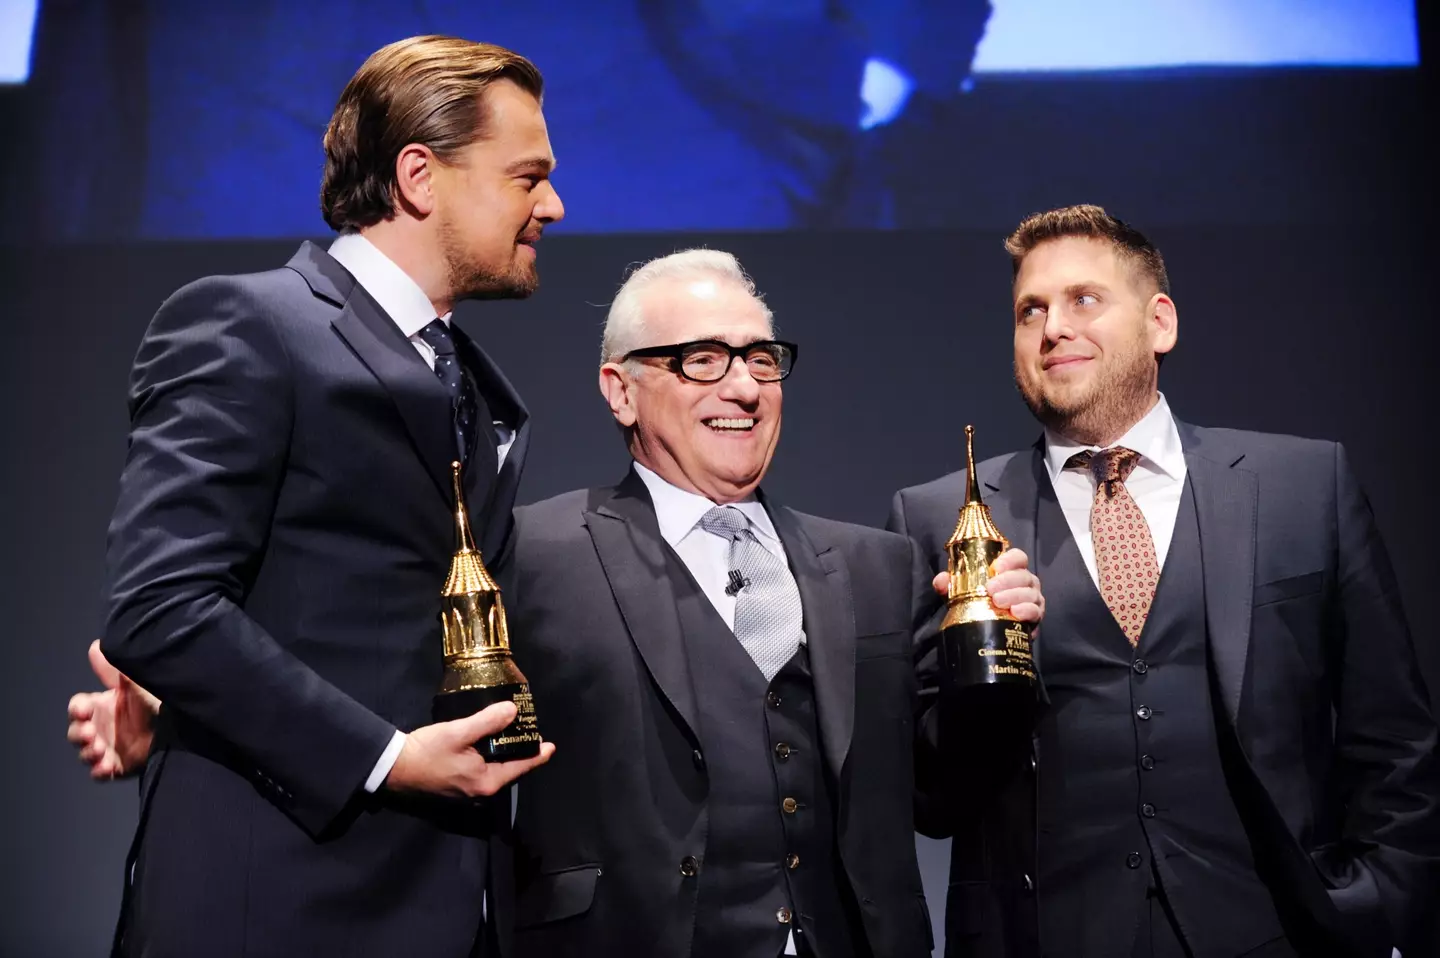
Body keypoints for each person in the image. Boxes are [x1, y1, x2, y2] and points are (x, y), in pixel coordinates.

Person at [73, 248, 1046, 957]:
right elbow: (375, 680)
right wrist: (179, 723)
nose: (744, 385)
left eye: (762, 357)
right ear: (620, 391)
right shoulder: (525, 552)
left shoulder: (874, 563)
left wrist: (993, 660)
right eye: (702, 358)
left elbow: (937, 791)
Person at [89, 35, 562, 957]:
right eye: (526, 176)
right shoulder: (248, 325)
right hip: (278, 908)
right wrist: (388, 759)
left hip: (449, 904)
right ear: (420, 177)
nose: (552, 204)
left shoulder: (472, 376)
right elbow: (159, 608)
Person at [890, 205, 1440, 958]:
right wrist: (980, 668)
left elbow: (1395, 739)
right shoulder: (939, 521)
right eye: (1031, 310)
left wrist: (1383, 913)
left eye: (1084, 299)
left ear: (1160, 323)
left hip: (1278, 934)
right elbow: (928, 797)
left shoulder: (1302, 486)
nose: (1052, 327)